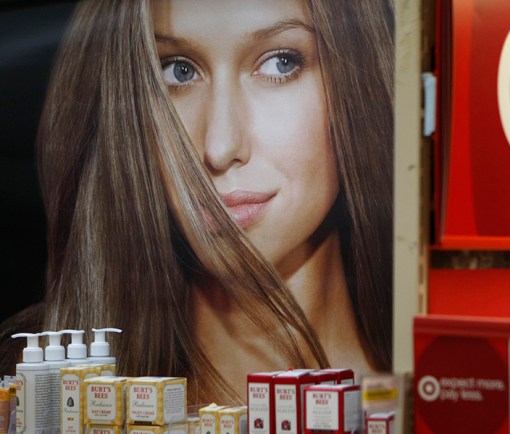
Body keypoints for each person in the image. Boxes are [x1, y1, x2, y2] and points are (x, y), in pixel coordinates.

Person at [0, 0, 393, 406]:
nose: (220, 147)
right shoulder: (28, 393)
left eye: (280, 63)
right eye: (178, 71)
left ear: (358, 82)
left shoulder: (442, 386)